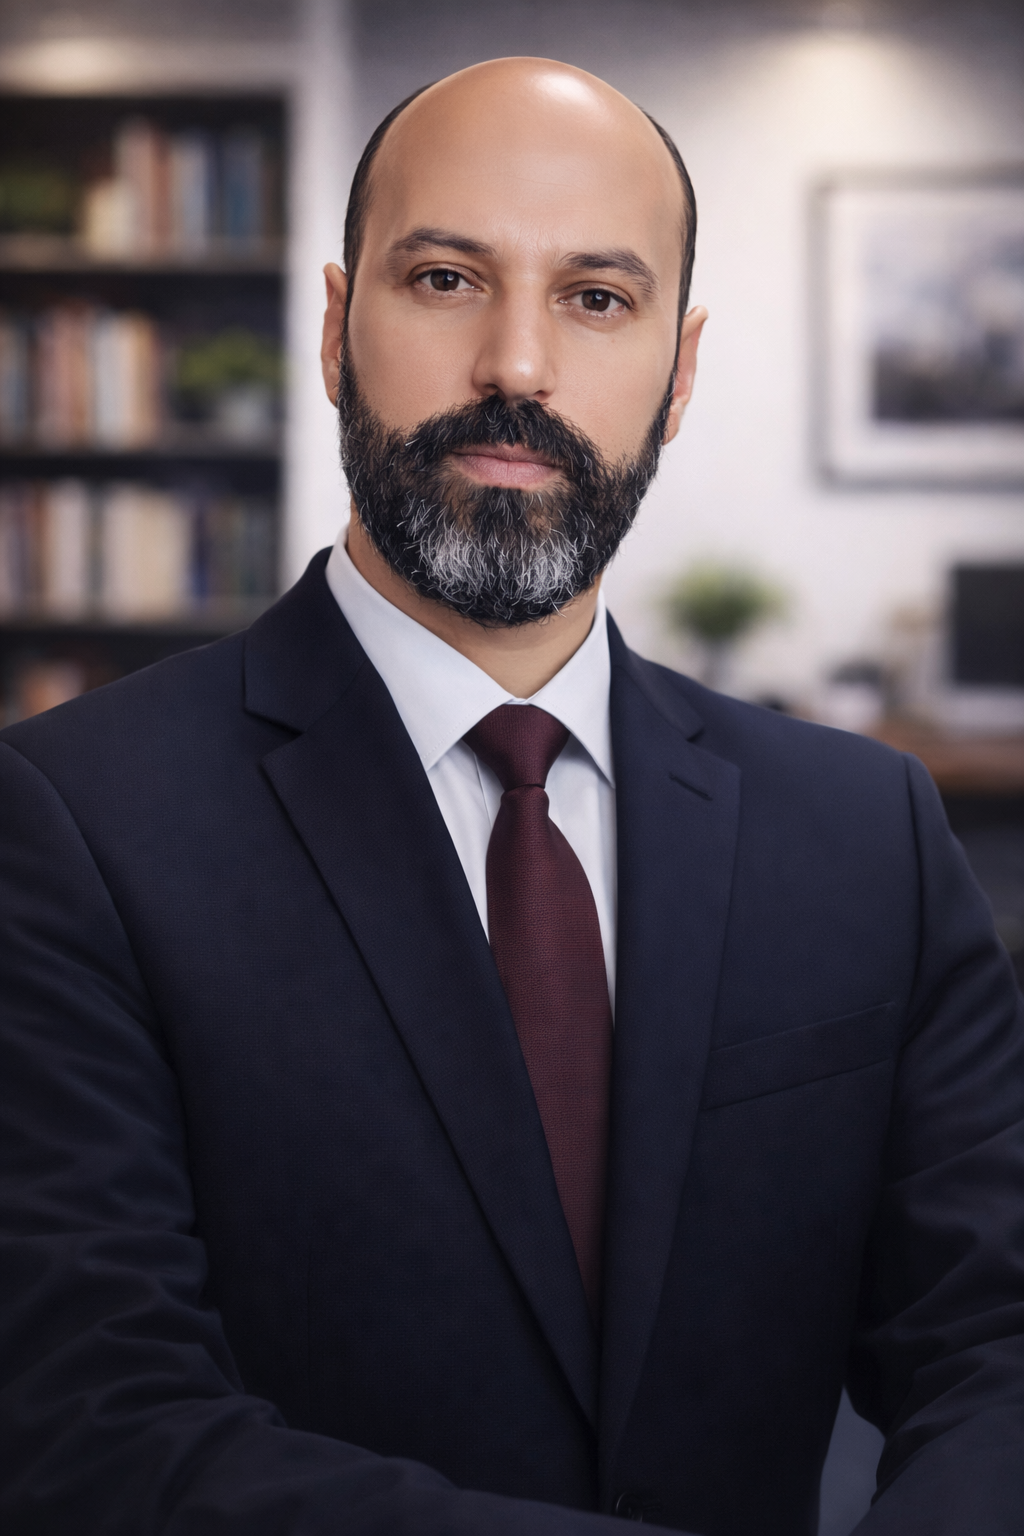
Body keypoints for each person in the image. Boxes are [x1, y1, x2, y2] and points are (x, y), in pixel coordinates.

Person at [0, 56, 1022, 1536]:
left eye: (597, 298)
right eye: (445, 278)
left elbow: (994, 1339)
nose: (520, 367)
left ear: (679, 371)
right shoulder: (67, 825)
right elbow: (93, 1431)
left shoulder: (866, 834)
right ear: (338, 326)